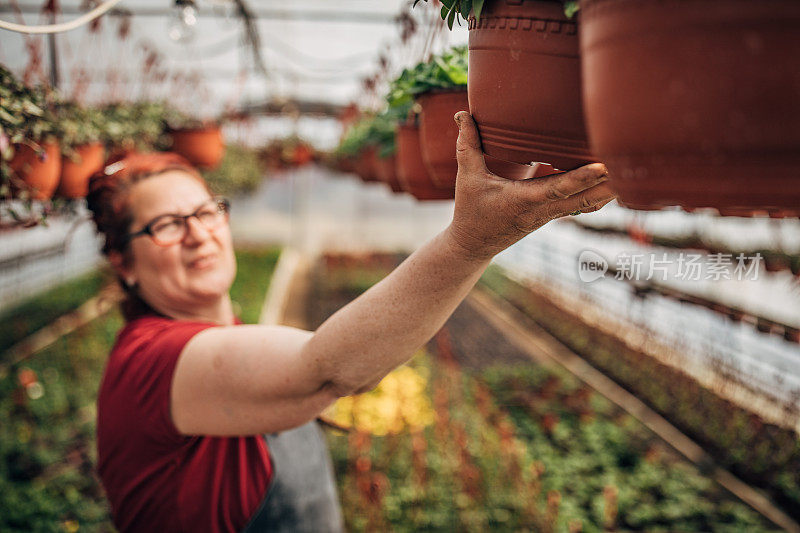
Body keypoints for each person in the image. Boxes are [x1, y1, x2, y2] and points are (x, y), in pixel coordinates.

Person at [87, 112, 615, 533]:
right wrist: (471, 241)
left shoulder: (226, 340)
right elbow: (324, 370)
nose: (199, 234)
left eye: (206, 212)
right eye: (165, 226)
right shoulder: (151, 362)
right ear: (123, 262)